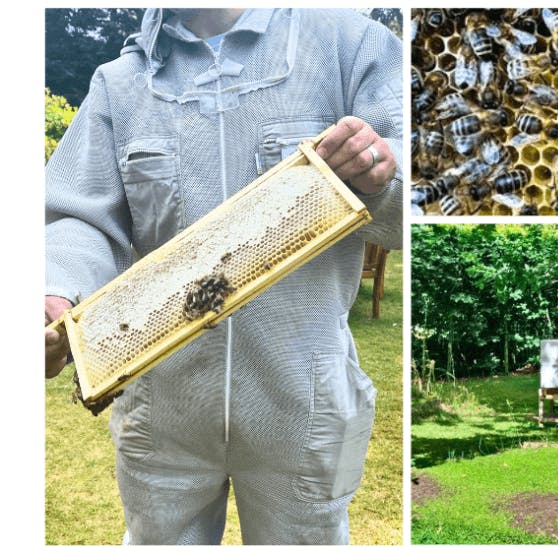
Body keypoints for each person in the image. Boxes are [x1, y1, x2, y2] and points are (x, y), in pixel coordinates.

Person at [44, 8, 402, 545]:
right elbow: (80, 215)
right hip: (162, 409)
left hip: (307, 405)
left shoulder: (352, 46)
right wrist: (53, 290)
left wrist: (380, 179)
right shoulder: (118, 84)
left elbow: (431, 192)